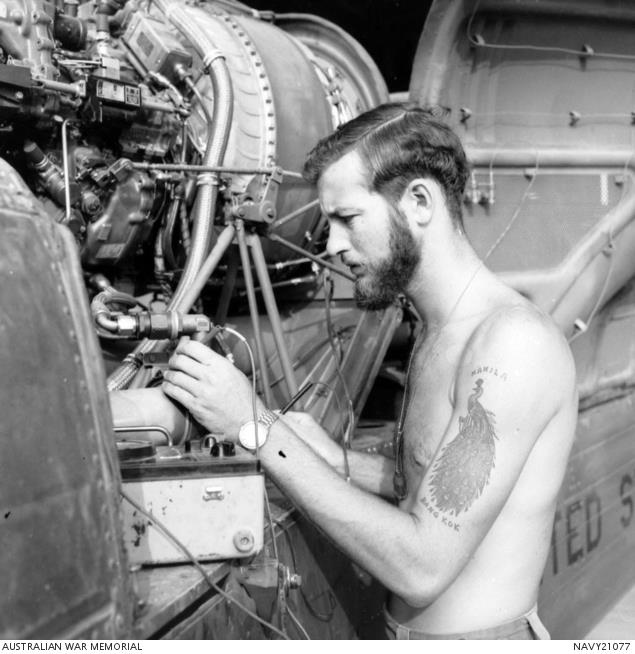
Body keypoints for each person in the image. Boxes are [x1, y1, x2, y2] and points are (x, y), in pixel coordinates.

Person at [161, 103, 578, 640]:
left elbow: (422, 567)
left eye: (347, 218)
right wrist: (334, 459)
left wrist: (255, 427)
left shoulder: (511, 345)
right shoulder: (437, 329)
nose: (332, 245)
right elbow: (431, 482)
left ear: (419, 201)